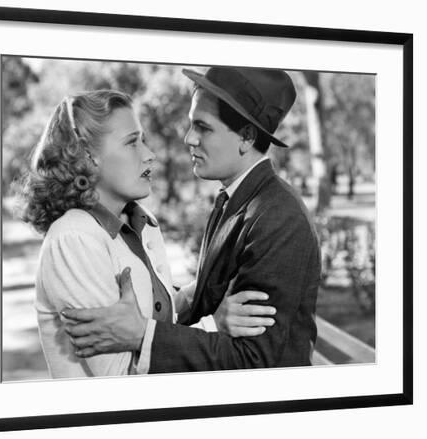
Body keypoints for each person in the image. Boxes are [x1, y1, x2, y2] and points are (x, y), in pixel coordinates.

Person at [63, 66, 322, 372]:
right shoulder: (237, 199)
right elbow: (207, 300)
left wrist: (142, 335)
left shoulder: (277, 218)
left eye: (203, 127)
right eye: (190, 125)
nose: (189, 138)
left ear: (246, 137)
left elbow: (254, 359)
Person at [16, 89, 276, 378]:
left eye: (143, 140)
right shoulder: (74, 237)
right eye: (131, 143)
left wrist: (209, 285)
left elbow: (156, 318)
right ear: (88, 156)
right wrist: (215, 326)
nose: (149, 155)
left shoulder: (141, 223)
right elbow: (120, 377)